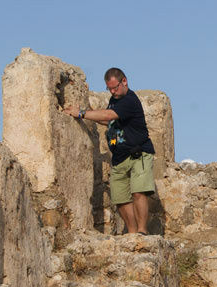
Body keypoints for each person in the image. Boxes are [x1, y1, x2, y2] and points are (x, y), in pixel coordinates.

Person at [64, 68, 156, 234]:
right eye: (109, 89)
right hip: (119, 158)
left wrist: (82, 113)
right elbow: (110, 121)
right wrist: (90, 115)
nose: (113, 91)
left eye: (115, 87)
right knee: (120, 198)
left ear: (124, 81)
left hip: (138, 154)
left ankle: (142, 232)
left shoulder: (129, 99)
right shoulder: (115, 100)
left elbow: (108, 116)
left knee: (138, 193)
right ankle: (132, 233)